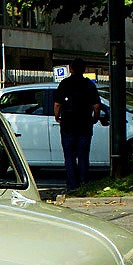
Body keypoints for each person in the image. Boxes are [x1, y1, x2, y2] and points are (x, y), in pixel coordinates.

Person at [53, 58, 101, 191]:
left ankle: (72, 184)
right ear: (84, 70)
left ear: (70, 69)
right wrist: (95, 118)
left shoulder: (64, 84)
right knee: (83, 155)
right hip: (85, 124)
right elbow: (96, 105)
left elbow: (57, 104)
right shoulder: (89, 85)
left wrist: (57, 117)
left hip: (68, 124)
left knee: (69, 156)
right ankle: (84, 183)